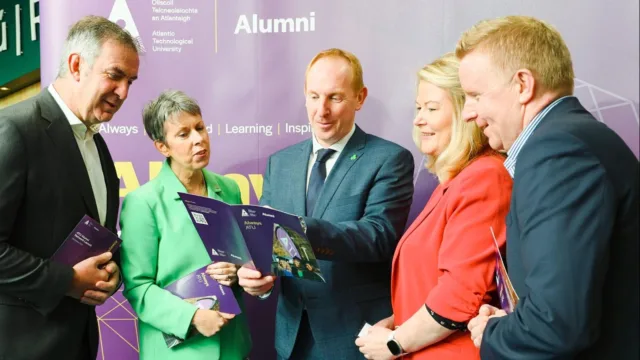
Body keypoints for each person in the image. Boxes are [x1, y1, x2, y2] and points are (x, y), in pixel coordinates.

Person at [458, 16, 639, 359]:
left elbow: (555, 325)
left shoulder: (556, 151)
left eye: (474, 95)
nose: (468, 112)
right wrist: (517, 322)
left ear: (523, 85)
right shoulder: (571, 139)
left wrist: (493, 332)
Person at [238, 48, 415, 359]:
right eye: (314, 96)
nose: (322, 110)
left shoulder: (389, 159)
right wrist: (258, 278)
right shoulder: (281, 163)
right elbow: (264, 243)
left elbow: (379, 236)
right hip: (291, 339)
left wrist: (302, 230)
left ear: (360, 98)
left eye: (335, 97)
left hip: (355, 339)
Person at [355, 53, 512, 359]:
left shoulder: (485, 177)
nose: (418, 119)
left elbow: (462, 293)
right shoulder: (456, 181)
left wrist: (395, 342)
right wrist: (398, 323)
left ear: (466, 113)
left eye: (431, 108)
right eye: (418, 108)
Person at [0, 16, 139, 359]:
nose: (123, 92)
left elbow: (96, 235)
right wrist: (66, 280)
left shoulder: (99, 145)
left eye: (131, 82)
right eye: (115, 75)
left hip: (79, 342)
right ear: (77, 65)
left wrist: (112, 271)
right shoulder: (14, 129)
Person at [119, 90, 251, 359]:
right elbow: (137, 287)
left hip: (232, 346)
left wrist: (236, 271)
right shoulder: (142, 203)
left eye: (200, 128)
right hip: (177, 351)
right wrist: (192, 317)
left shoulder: (229, 189)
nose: (199, 139)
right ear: (162, 147)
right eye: (184, 134)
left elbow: (243, 261)